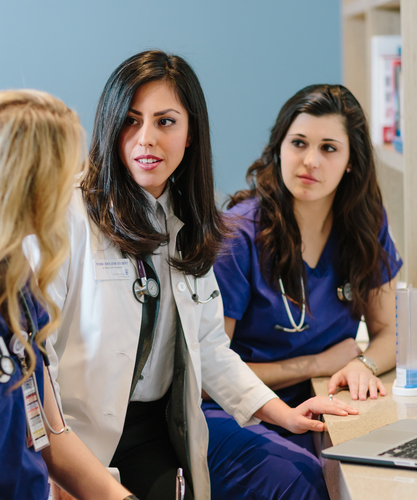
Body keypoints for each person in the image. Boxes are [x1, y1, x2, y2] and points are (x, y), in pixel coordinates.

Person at [38, 52, 358, 500]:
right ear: (110, 126)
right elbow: (36, 361)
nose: (146, 139)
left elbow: (208, 346)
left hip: (153, 431)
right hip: (71, 437)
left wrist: (281, 412)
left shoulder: (186, 222)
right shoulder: (66, 215)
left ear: (190, 134)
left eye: (165, 122)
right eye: (131, 120)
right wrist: (56, 463)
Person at [0, 90, 135, 500]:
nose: (79, 191)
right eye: (67, 177)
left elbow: (53, 437)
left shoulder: (17, 290)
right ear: (24, 186)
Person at [202, 84, 402, 499]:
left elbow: (391, 332)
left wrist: (363, 364)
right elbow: (208, 378)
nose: (310, 161)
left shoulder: (364, 226)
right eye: (299, 143)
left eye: (329, 148)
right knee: (307, 482)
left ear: (351, 162)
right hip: (235, 412)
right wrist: (317, 363)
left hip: (316, 404)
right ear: (279, 148)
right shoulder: (239, 236)